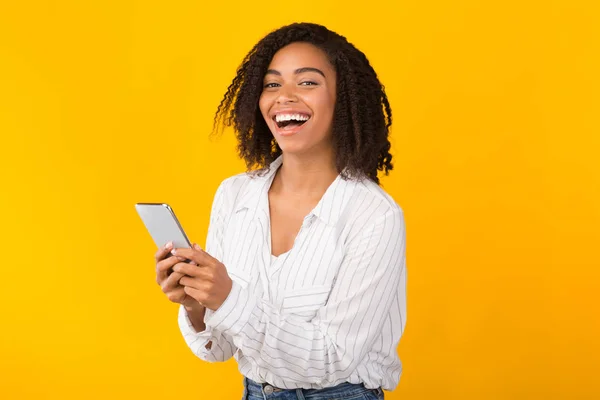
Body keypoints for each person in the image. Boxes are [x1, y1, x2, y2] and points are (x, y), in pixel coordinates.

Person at [154, 22, 407, 400]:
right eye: (272, 84)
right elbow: (219, 349)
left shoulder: (373, 214)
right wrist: (196, 306)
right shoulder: (234, 195)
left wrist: (227, 298)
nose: (284, 97)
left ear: (344, 100)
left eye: (307, 82)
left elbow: (330, 359)